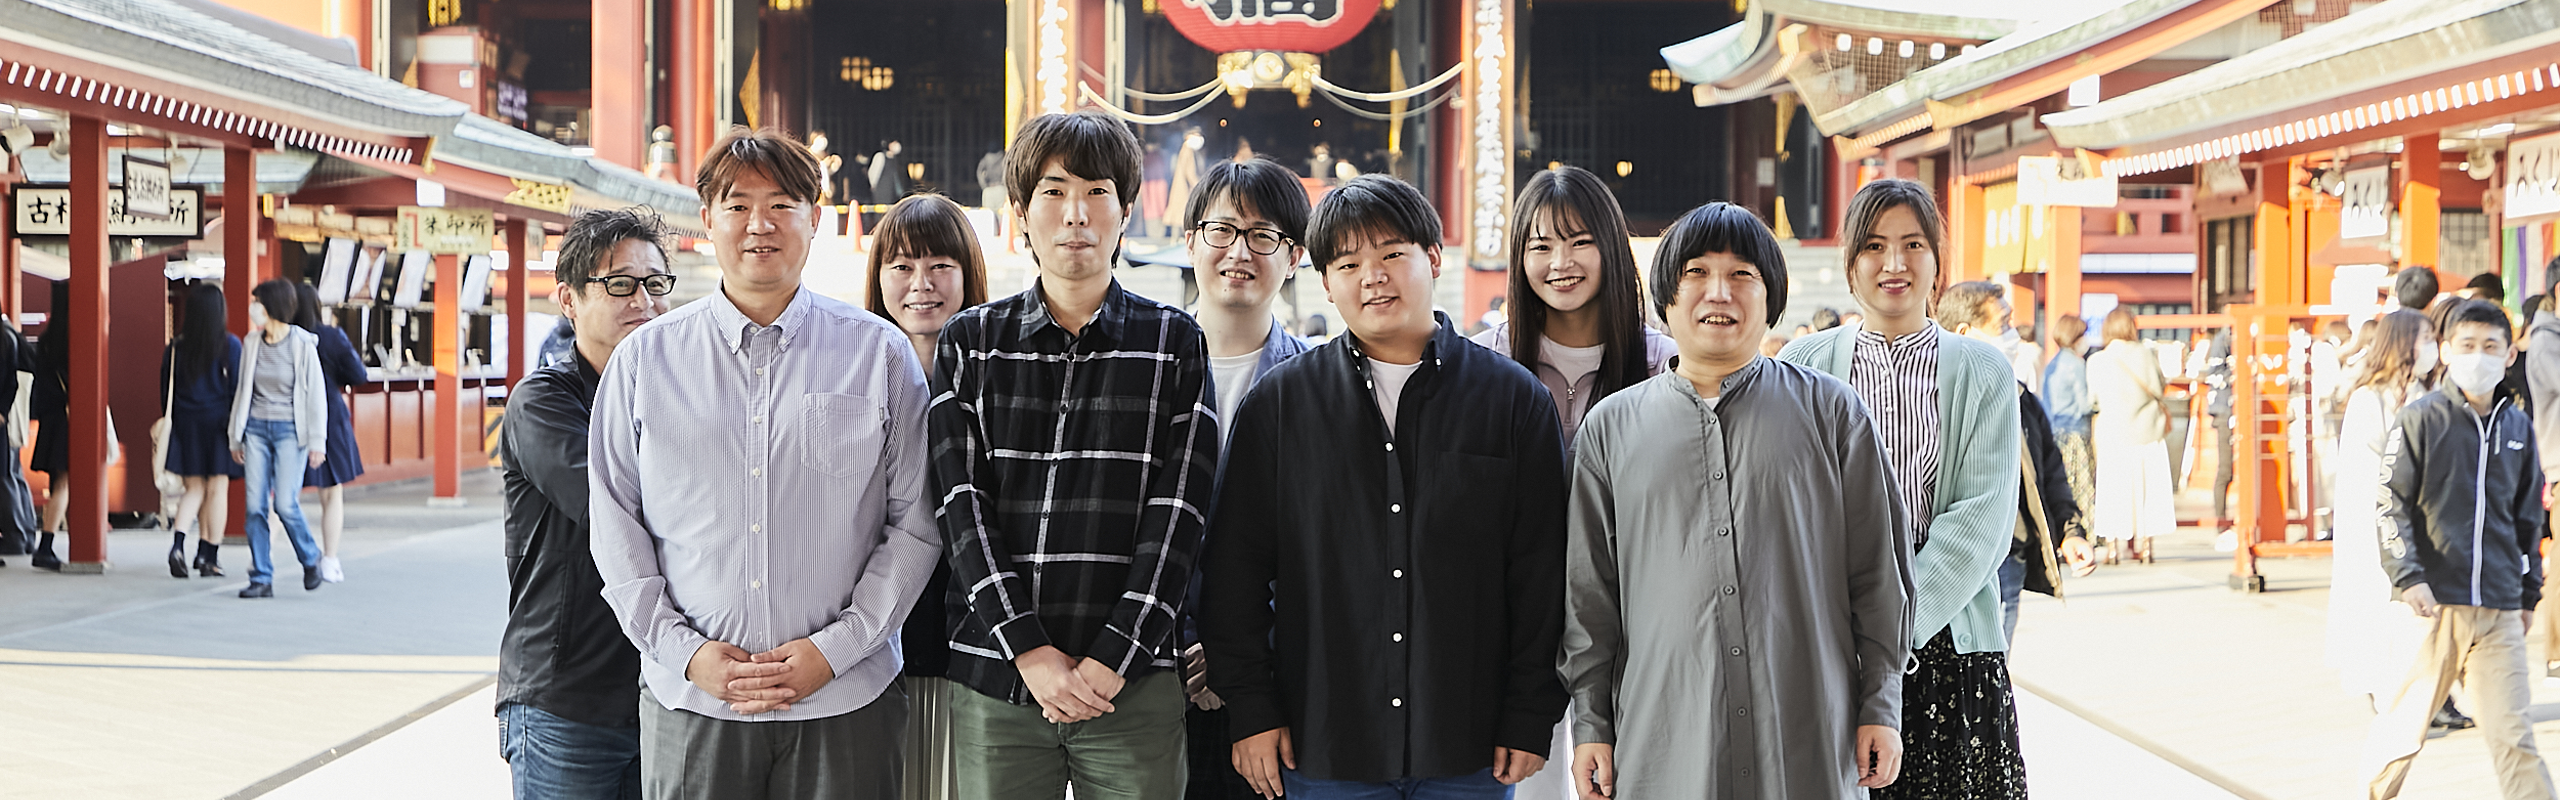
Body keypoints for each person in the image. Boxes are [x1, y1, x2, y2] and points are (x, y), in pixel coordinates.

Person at [590, 127, 941, 800]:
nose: (760, 224)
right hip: (694, 702)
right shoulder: (643, 362)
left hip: (846, 699)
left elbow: (917, 523)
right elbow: (614, 524)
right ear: (706, 219)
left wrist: (836, 649)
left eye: (782, 204)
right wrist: (686, 652)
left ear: (816, 218)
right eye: (738, 205)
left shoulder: (879, 355)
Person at [1202, 173, 1567, 800]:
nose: (1372, 277)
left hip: (1470, 745)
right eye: (1348, 264)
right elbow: (1235, 572)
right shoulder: (1281, 404)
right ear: (1325, 282)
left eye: (1392, 254)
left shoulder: (1513, 401)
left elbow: (1542, 573)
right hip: (1324, 742)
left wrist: (1531, 711)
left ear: (1433, 258)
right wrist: (1252, 708)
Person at [1560, 202, 1911, 799]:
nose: (1718, 292)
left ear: (1772, 298)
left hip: (1807, 737)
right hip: (1666, 745)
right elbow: (1589, 596)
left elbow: (1879, 573)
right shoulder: (1611, 429)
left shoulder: (1832, 413)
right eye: (1696, 272)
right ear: (1666, 297)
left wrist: (1881, 702)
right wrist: (1592, 723)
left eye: (1742, 274)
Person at [931, 110, 1215, 800]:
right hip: (999, 677)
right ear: (1021, 213)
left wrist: (1115, 656)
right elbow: (961, 510)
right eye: (1054, 193)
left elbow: (1180, 514)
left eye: (1096, 192)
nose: (1076, 214)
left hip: (1133, 683)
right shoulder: (971, 342)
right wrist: (1029, 650)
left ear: (1126, 210)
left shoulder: (1174, 342)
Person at [1776, 178, 2024, 799]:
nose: (1894, 263)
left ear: (1938, 261)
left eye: (1914, 244)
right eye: (1874, 246)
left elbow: (1983, 517)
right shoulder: (1801, 367)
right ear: (1850, 263)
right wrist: (1846, 634)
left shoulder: (1984, 371)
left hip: (1947, 645)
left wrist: (1888, 634)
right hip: (1831, 648)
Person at [498, 207, 675, 799]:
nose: (643, 301)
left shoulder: (681, 398)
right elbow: (612, 509)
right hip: (565, 702)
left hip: (665, 691)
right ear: (568, 300)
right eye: (620, 284)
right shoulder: (544, 402)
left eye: (655, 283)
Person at [2366, 299, 2558, 800]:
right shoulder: (2420, 419)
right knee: (2401, 735)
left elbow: (2527, 520)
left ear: (2510, 355)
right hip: (2432, 606)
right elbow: (2390, 502)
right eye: (2467, 345)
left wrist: (2527, 594)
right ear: (2447, 351)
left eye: (2491, 346)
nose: (2479, 356)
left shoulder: (2517, 427)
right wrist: (2408, 576)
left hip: (2498, 610)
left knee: (2515, 737)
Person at [1173, 156, 1314, 800]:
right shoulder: (1144, 368)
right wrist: (1179, 641)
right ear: (1190, 241)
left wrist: (1238, 657)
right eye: (1222, 230)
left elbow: (1319, 549)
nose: (1239, 252)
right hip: (1145, 674)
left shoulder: (1317, 387)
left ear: (1295, 256)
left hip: (1273, 691)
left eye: (1263, 236)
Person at [863, 192, 994, 800]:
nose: (922, 283)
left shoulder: (999, 377)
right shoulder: (852, 375)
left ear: (969, 274)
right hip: (873, 648)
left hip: (978, 648)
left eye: (941, 264)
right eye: (902, 266)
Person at [1472, 166, 1676, 449]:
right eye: (1542, 247)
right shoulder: (1482, 362)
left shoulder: (1664, 364)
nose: (1561, 263)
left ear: (1612, 247)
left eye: (1580, 242)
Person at [1939, 281, 2094, 641]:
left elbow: (2050, 472)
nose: (2013, 336)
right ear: (1965, 333)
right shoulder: (1929, 401)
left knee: (1996, 661)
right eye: (2003, 324)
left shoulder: (2020, 398)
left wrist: (2070, 532)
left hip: (2010, 555)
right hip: (1949, 564)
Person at [2326, 310, 2436, 706]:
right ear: (2404, 343)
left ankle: (2422, 691)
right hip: (2374, 520)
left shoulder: (2424, 392)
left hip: (2416, 517)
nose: (2433, 346)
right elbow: (2372, 472)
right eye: (2426, 338)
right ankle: (2382, 687)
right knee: (2374, 601)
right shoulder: (2368, 399)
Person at [227, 279, 329, 598]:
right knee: (254, 507)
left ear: (271, 306)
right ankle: (261, 576)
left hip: (290, 433)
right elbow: (243, 391)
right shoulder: (252, 343)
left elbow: (316, 396)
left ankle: (310, 557)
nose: (253, 307)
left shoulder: (302, 344)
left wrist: (317, 441)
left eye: (257, 301)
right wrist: (236, 437)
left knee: (285, 503)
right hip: (256, 431)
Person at [158, 284, 242, 579]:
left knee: (194, 489)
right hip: (219, 426)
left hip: (187, 424)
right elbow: (237, 390)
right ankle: (210, 558)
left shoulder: (176, 348)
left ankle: (178, 545)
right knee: (217, 489)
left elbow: (165, 393)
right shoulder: (230, 345)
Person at [292, 282, 367, 584]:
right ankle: (330, 560)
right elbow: (358, 375)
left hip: (291, 419)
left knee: (282, 493)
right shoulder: (332, 337)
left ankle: (262, 560)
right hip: (331, 418)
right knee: (332, 492)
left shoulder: (284, 338)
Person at [2090, 308, 2175, 564]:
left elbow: (2093, 399)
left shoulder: (2097, 360)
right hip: (2147, 432)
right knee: (2148, 490)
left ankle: (2113, 548)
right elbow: (2159, 387)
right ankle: (2147, 547)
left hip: (2113, 435)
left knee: (2114, 491)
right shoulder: (2146, 354)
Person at [24, 282, 72, 570]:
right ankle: (46, 546)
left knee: (58, 482)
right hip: (69, 417)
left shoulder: (46, 340)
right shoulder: (76, 338)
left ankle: (48, 544)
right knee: (64, 483)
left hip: (52, 417)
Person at [2043, 314, 2097, 553]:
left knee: (2063, 486)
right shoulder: (2076, 364)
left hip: (2057, 432)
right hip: (2076, 431)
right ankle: (2083, 536)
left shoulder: (2052, 364)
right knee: (2082, 487)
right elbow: (2084, 404)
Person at [870, 139, 909, 204]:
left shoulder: (896, 159)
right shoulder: (880, 156)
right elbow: (873, 171)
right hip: (882, 188)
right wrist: (873, 184)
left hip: (892, 190)